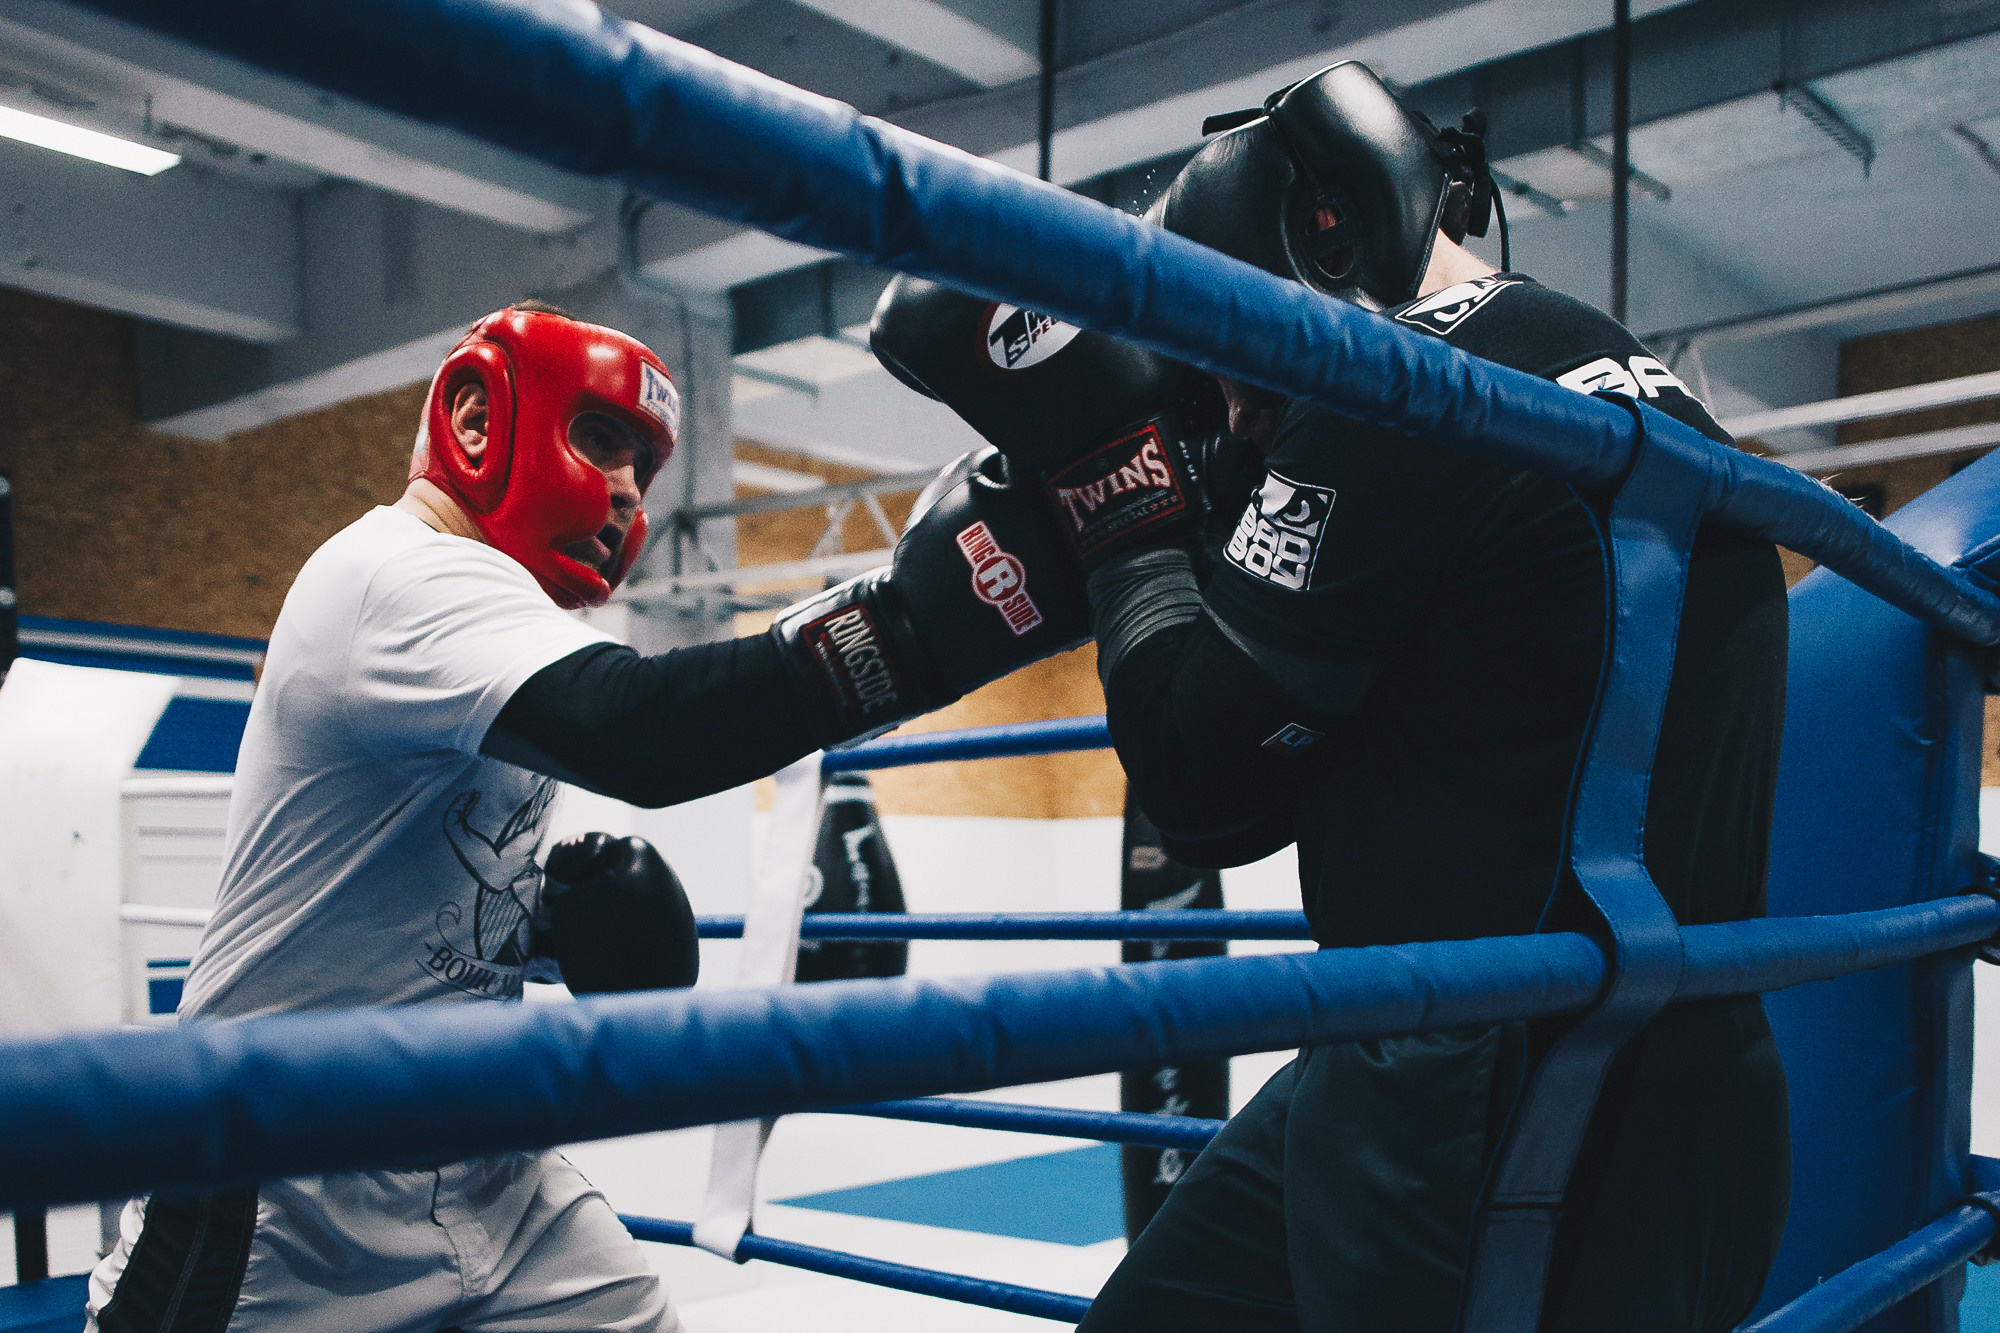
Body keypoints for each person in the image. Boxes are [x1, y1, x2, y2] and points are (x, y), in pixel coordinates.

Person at [869, 61, 1790, 1333]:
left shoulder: (1398, 396)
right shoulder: (1616, 379)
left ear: (1316, 248)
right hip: (1651, 1052)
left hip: (1485, 1079)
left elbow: (1197, 788)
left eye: (1223, 359)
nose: (1237, 419)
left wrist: (1115, 496)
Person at [84, 301, 1090, 1332]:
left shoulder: (506, 620)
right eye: (601, 439)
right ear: (476, 423)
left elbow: (437, 889)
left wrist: (557, 926)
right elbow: (640, 729)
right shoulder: (398, 573)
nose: (622, 488)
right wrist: (924, 624)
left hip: (487, 1165)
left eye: (642, 469)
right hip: (288, 1187)